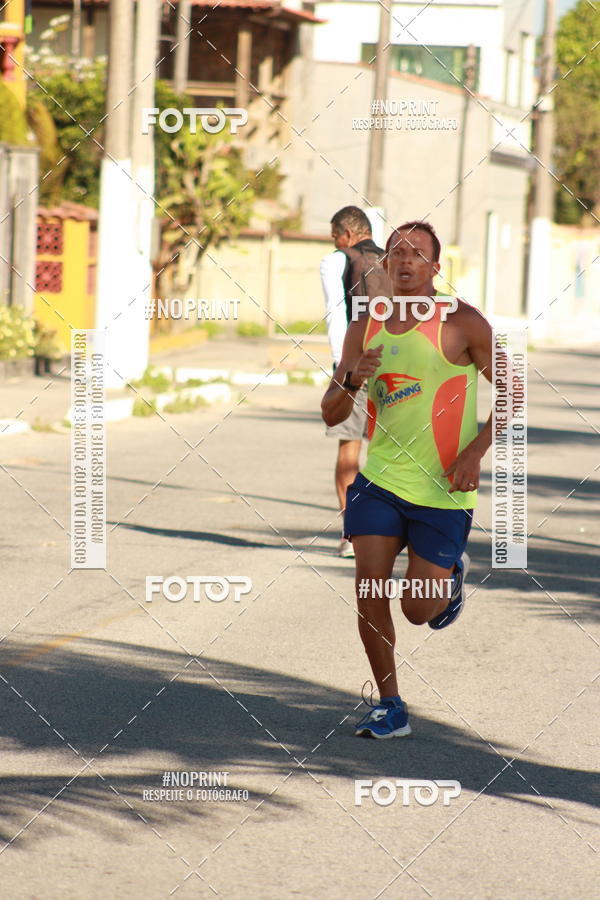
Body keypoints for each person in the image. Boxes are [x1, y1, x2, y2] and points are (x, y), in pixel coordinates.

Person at [321, 220, 494, 739]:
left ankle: (451, 579)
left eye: (417, 252)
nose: (405, 258)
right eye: (397, 250)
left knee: (418, 609)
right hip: (379, 483)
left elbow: (513, 392)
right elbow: (331, 414)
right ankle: (390, 705)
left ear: (435, 268)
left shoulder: (463, 323)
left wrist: (475, 451)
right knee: (369, 589)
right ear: (385, 264)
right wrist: (354, 377)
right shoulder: (364, 328)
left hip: (442, 489)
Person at [320, 206, 386, 558]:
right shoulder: (391, 258)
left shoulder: (337, 261)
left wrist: (341, 367)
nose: (334, 242)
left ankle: (352, 535)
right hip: (393, 365)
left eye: (334, 236)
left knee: (349, 450)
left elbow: (335, 313)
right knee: (393, 450)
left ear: (346, 233)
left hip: (355, 365)